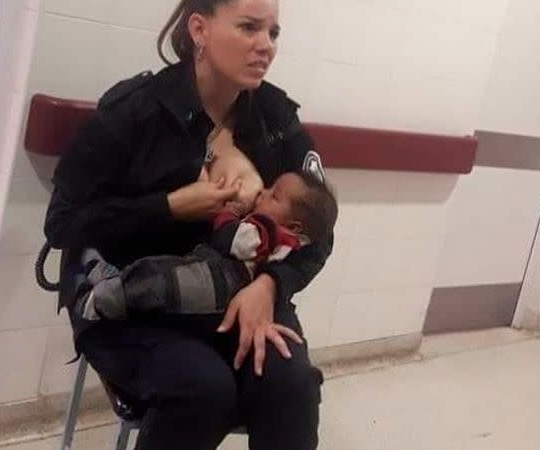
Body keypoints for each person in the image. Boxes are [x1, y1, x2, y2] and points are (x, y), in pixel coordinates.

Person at [44, 1, 335, 448]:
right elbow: (63, 224)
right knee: (203, 391)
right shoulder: (136, 110)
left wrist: (272, 285)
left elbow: (318, 229)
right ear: (199, 29)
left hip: (240, 296)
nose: (266, 46)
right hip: (137, 296)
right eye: (249, 28)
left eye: (273, 33)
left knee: (291, 387)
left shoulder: (275, 118)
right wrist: (169, 207)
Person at [75, 171, 338, 323]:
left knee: (156, 279)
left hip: (217, 282)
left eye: (273, 196)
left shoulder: (270, 234)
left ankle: (97, 303)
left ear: (294, 227)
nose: (263, 192)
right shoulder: (291, 241)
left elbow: (230, 239)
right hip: (213, 278)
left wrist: (224, 212)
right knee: (154, 276)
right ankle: (110, 280)